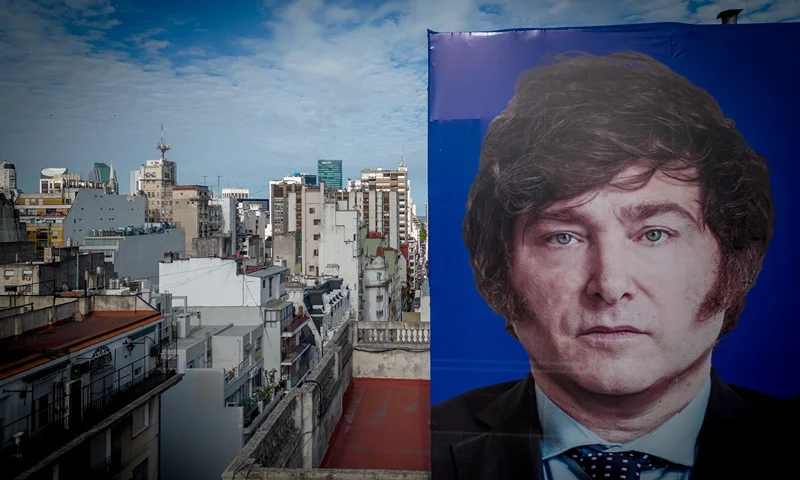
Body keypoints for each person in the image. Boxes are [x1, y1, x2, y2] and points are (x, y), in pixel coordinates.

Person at [431, 52, 795, 479]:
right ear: (500, 271)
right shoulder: (431, 445)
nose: (610, 283)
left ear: (731, 262)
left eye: (654, 234)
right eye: (563, 237)